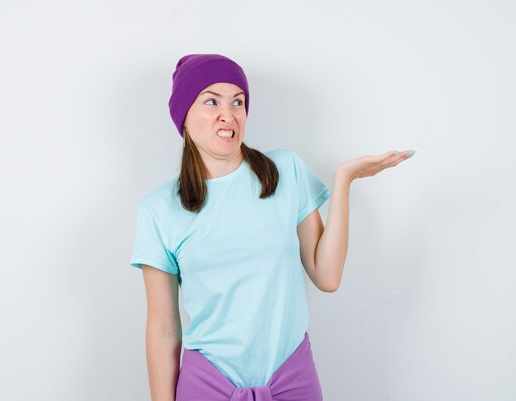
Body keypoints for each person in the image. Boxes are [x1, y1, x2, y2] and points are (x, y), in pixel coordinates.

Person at [129, 53, 415, 401]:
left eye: (238, 101)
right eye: (211, 101)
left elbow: (327, 276)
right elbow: (162, 329)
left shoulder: (285, 171)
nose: (228, 113)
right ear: (184, 117)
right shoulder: (158, 211)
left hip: (292, 380)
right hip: (206, 386)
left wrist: (344, 180)